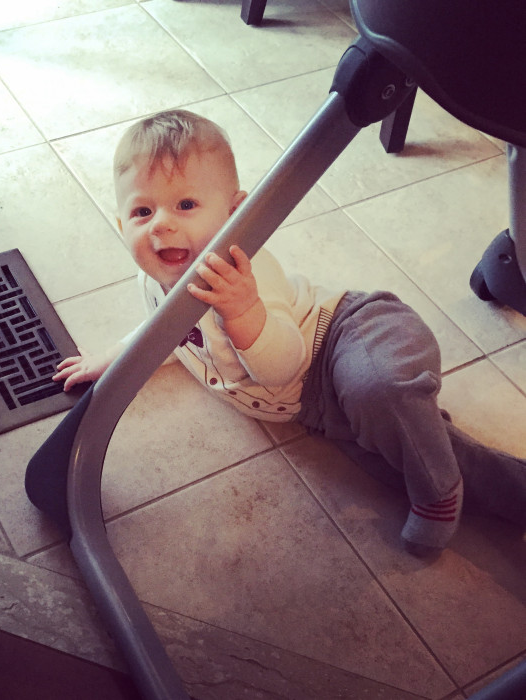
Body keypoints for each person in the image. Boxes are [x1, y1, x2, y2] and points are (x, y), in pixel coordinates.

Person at [52, 109, 526, 557]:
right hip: (316, 405)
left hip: (350, 331)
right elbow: (165, 332)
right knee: (395, 453)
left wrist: (242, 312)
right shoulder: (156, 280)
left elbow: (283, 366)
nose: (163, 224)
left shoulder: (247, 274)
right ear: (121, 224)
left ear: (238, 212)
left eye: (186, 204)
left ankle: (436, 491)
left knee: (376, 389)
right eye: (141, 213)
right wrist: (115, 355)